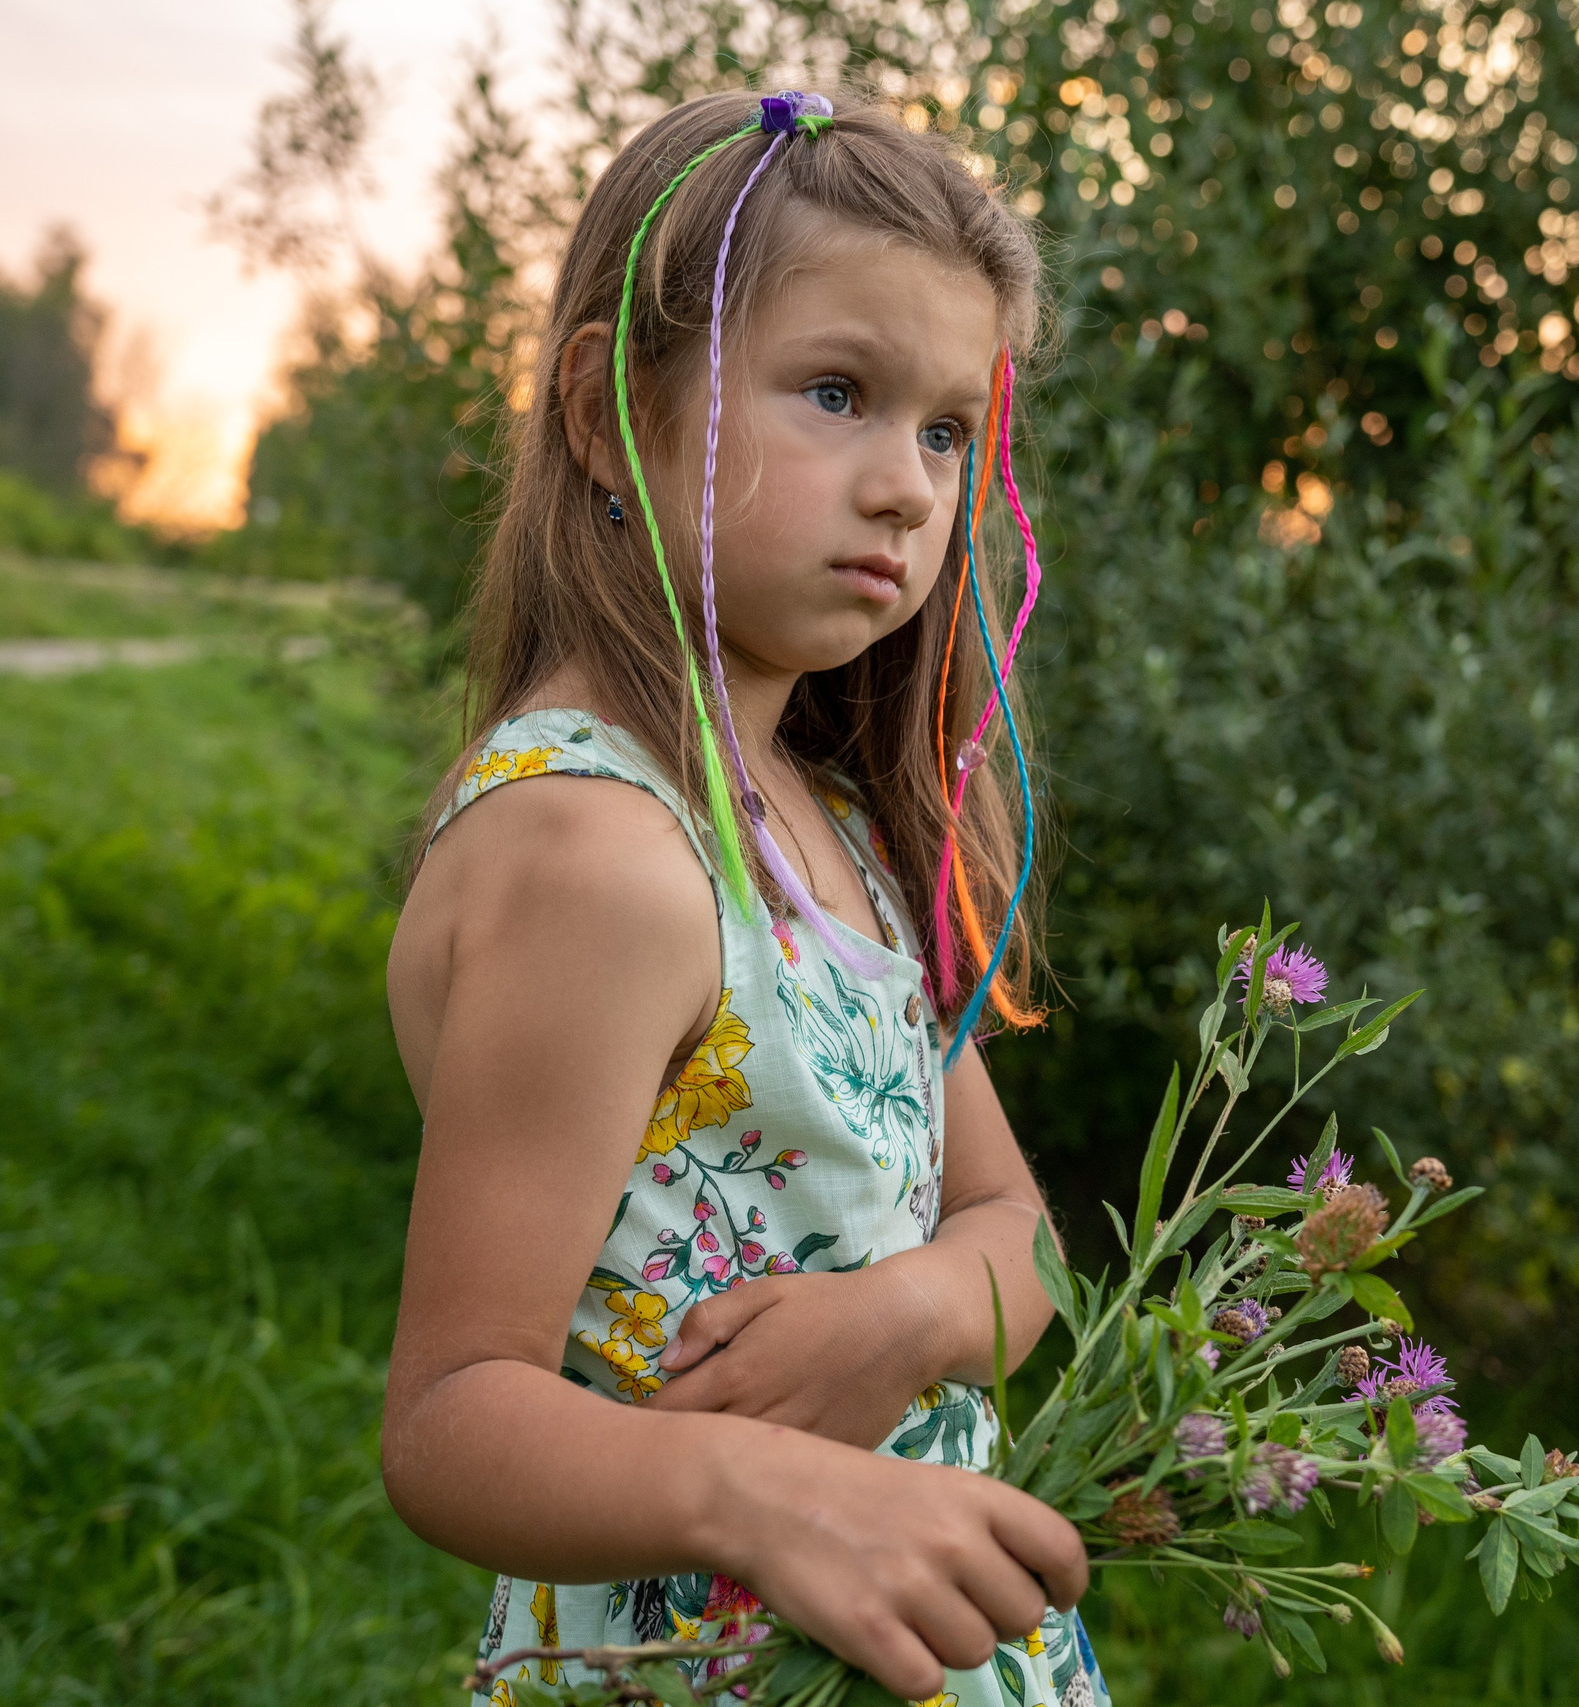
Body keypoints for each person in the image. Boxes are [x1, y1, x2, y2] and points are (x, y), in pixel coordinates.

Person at [380, 88, 1106, 1707]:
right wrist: (772, 1496)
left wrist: (904, 1315)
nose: (912, 489)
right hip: (701, 1667)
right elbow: (450, 1421)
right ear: (603, 410)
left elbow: (1026, 1246)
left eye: (942, 431)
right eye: (835, 393)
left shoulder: (829, 834)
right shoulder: (594, 854)